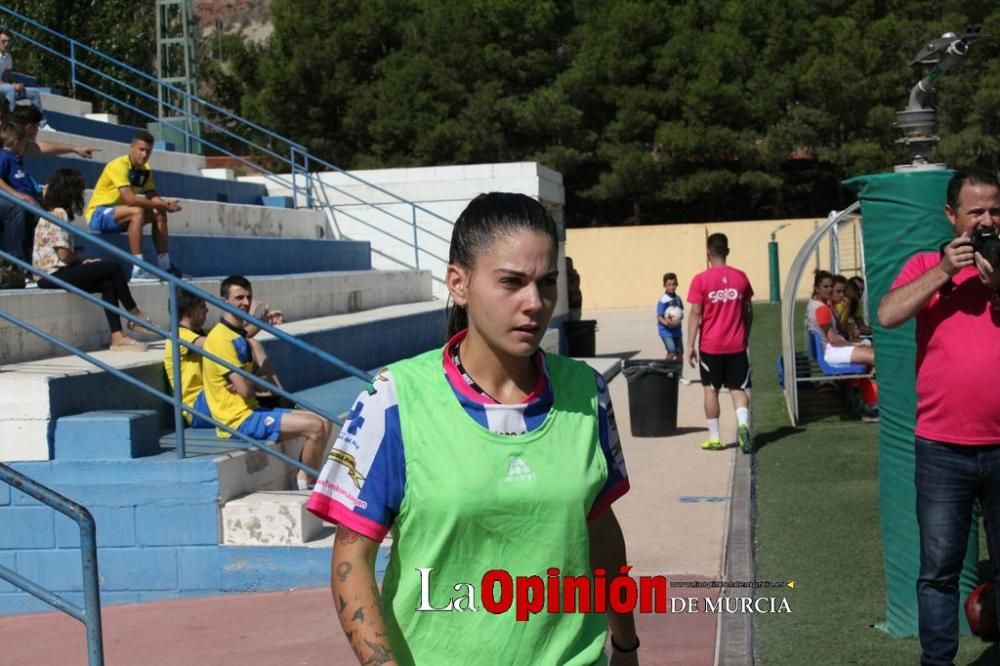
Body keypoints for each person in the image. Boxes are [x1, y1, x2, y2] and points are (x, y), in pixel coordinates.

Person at [307, 193, 638, 665]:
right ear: (458, 283)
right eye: (511, 282)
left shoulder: (586, 391)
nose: (535, 303)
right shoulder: (395, 398)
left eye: (547, 283)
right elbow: (350, 560)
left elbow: (600, 529)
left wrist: (625, 644)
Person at [878, 167, 1000, 666]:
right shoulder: (927, 262)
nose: (987, 221)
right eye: (976, 212)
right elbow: (887, 314)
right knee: (938, 570)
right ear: (952, 217)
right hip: (942, 447)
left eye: (995, 210)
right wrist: (946, 271)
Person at [202, 275, 332, 489]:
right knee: (315, 427)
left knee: (325, 421)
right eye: (239, 298)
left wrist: (248, 382)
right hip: (236, 421)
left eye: (248, 297)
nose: (245, 302)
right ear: (224, 301)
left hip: (253, 411)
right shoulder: (220, 340)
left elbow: (252, 384)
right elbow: (246, 391)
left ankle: (309, 478)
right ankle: (305, 482)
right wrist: (249, 384)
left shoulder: (236, 334)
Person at [32, 168, 152, 352]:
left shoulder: (51, 212)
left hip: (48, 274)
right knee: (113, 267)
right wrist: (81, 261)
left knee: (108, 283)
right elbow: (64, 255)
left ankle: (117, 337)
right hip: (52, 274)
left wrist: (81, 263)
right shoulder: (59, 213)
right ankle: (135, 315)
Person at [84, 130, 182, 281]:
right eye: (141, 150)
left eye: (148, 151)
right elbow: (129, 198)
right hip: (99, 214)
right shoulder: (118, 165)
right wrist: (161, 205)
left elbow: (152, 195)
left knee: (159, 212)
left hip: (122, 215)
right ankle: (138, 269)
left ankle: (165, 266)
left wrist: (165, 204)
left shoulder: (146, 169)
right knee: (137, 210)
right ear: (132, 147)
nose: (144, 155)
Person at [686, 233, 754, 454]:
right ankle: (743, 425)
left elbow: (696, 313)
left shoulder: (701, 280)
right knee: (737, 389)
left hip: (711, 346)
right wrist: (745, 335)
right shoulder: (740, 277)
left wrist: (690, 345)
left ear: (708, 252)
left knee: (710, 389)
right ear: (727, 251)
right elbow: (748, 311)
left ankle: (715, 438)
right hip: (736, 344)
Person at [163, 289, 213, 428]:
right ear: (189, 311)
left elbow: (233, 339)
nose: (207, 311)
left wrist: (259, 322)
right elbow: (219, 344)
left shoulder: (202, 333)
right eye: (202, 306)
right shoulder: (178, 336)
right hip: (196, 408)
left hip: (211, 397)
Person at [806, 271, 874, 367]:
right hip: (831, 352)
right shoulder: (821, 309)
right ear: (817, 289)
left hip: (830, 349)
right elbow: (833, 340)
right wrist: (854, 345)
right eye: (825, 287)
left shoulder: (814, 304)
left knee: (871, 351)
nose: (829, 290)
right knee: (873, 356)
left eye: (831, 286)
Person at [0, 121, 41, 272]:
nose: (26, 146)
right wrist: (18, 196)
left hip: (30, 204)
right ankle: (17, 266)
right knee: (18, 209)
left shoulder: (17, 159)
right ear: (16, 142)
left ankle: (33, 266)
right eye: (25, 143)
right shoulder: (3, 157)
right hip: (15, 203)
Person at [0, 29, 52, 130]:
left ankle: (41, 124)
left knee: (34, 92)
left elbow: (9, 78)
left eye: (8, 41)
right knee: (10, 90)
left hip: (4, 88)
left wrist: (16, 85)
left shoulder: (8, 57)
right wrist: (13, 86)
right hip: (3, 88)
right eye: (3, 41)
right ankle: (13, 123)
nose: (6, 44)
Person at [11, 105, 99, 159]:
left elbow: (40, 147)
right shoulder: (7, 147)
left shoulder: (19, 144)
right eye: (37, 127)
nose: (37, 131)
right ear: (29, 127)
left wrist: (75, 148)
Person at [656, 272, 684, 361]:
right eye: (669, 285)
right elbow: (659, 317)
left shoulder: (678, 299)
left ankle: (678, 374)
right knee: (672, 351)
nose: (672, 287)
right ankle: (664, 370)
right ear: (664, 286)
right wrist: (666, 323)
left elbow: (680, 312)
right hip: (666, 331)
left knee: (679, 353)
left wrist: (680, 318)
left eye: (674, 284)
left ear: (677, 284)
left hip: (677, 330)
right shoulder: (663, 300)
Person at [566, 255, 582, 321]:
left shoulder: (574, 275)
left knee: (575, 320)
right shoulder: (565, 275)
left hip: (574, 301)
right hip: (570, 302)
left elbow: (572, 288)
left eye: (568, 264)